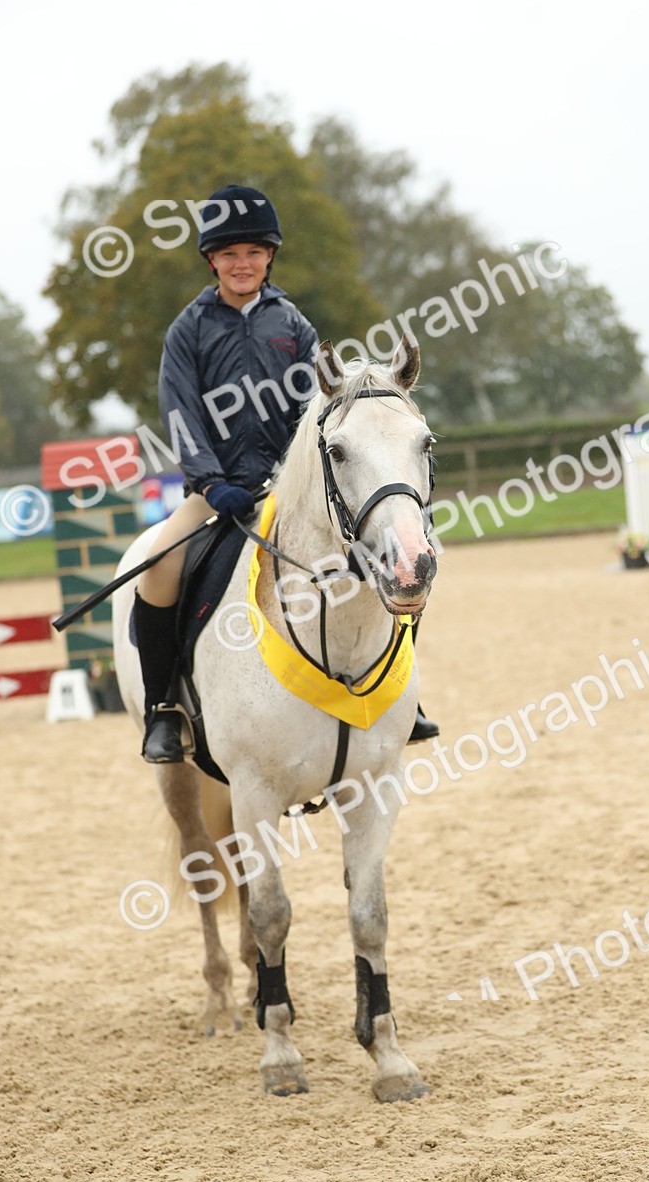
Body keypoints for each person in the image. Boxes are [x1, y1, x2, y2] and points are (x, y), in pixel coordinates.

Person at [134, 182, 437, 764]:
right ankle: (163, 709)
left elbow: (317, 414)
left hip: (284, 487)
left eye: (252, 252)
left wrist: (289, 476)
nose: (241, 264)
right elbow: (179, 412)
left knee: (388, 553)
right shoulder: (187, 331)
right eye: (229, 254)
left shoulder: (293, 325)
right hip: (215, 492)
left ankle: (401, 696)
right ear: (211, 261)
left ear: (269, 256)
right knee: (159, 568)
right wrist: (207, 479)